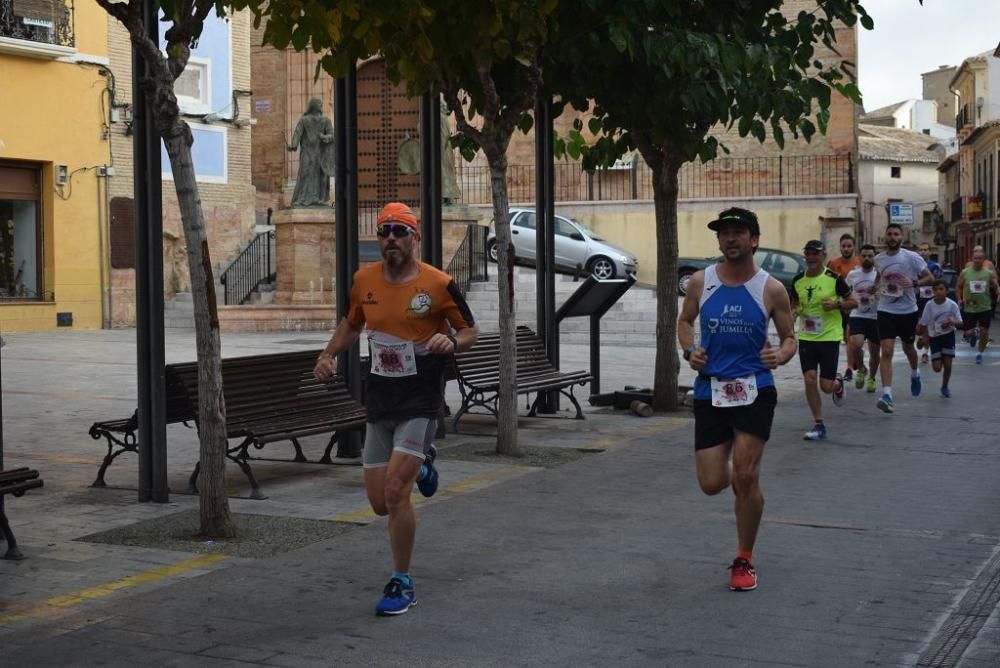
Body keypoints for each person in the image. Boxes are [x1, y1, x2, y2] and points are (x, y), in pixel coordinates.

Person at [313, 202, 479, 616]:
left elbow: (469, 330)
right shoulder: (363, 279)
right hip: (381, 396)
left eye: (399, 231)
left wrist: (451, 341)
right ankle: (423, 465)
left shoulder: (439, 284)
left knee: (395, 491)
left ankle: (401, 581)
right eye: (384, 231)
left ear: (414, 238)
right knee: (378, 502)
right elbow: (352, 323)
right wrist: (328, 354)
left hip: (421, 396)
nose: (391, 238)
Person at [678, 207, 797, 592]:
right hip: (711, 388)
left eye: (738, 232)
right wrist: (689, 349)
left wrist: (780, 355)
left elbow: (790, 337)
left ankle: (744, 558)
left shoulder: (771, 288)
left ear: (754, 240)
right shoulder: (701, 281)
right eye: (724, 233)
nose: (730, 238)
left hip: (754, 388)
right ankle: (744, 487)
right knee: (712, 483)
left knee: (746, 476)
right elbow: (684, 321)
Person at [790, 240, 856, 440]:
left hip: (829, 337)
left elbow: (854, 302)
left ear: (822, 256)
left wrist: (837, 304)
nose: (811, 257)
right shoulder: (798, 280)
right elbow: (794, 304)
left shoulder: (834, 278)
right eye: (807, 253)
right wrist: (794, 312)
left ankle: (837, 383)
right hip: (807, 337)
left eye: (815, 253)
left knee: (825, 387)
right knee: (809, 380)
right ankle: (819, 424)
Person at [873, 223, 935, 413]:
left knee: (909, 348)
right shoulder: (879, 259)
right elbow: (879, 276)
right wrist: (875, 288)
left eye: (896, 234)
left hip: (908, 311)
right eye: (889, 234)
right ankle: (887, 394)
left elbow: (930, 278)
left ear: (902, 237)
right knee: (887, 351)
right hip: (885, 310)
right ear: (885, 237)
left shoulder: (912, 257)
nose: (892, 237)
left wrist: (914, 282)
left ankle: (915, 373)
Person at [916, 280, 964, 397]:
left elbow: (961, 323)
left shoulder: (952, 305)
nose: (938, 292)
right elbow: (923, 323)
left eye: (941, 289)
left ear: (947, 291)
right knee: (937, 368)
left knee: (948, 365)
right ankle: (940, 356)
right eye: (936, 289)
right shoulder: (929, 305)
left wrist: (954, 322)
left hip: (948, 336)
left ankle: (944, 386)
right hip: (935, 337)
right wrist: (923, 336)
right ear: (933, 291)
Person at [845, 244, 881, 394]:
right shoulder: (853, 275)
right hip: (857, 314)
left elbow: (890, 292)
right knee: (855, 344)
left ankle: (872, 377)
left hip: (876, 316)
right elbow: (844, 291)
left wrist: (880, 295)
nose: (867, 258)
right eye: (864, 256)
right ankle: (861, 368)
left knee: (874, 351)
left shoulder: (879, 275)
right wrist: (846, 303)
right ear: (859, 257)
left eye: (870, 256)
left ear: (874, 257)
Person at [287, 98, 335, 207]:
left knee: (317, 177)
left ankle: (318, 200)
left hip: (319, 154)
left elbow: (331, 136)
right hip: (311, 154)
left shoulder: (325, 121)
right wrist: (293, 146)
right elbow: (297, 135)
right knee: (305, 175)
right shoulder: (305, 120)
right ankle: (303, 199)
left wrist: (324, 137)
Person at [956, 248, 1000, 365]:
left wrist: (999, 294)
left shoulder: (988, 273)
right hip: (969, 307)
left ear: (983, 260)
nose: (977, 261)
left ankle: (979, 353)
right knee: (968, 333)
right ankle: (975, 333)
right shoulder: (965, 272)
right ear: (972, 259)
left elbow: (996, 286)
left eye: (980, 259)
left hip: (985, 307)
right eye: (975, 258)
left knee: (984, 332)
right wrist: (960, 299)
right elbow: (959, 287)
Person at [827, 233, 862, 377]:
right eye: (843, 246)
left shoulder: (860, 262)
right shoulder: (834, 264)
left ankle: (850, 365)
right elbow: (828, 284)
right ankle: (854, 362)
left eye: (849, 246)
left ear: (854, 247)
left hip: (856, 306)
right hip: (839, 306)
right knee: (846, 339)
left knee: (851, 337)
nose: (846, 249)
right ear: (840, 247)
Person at [915, 242, 944, 364]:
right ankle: (921, 338)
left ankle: (925, 353)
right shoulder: (914, 265)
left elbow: (939, 283)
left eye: (925, 250)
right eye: (921, 249)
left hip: (931, 300)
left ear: (930, 252)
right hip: (916, 300)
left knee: (929, 327)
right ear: (918, 252)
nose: (923, 252)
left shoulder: (935, 266)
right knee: (918, 328)